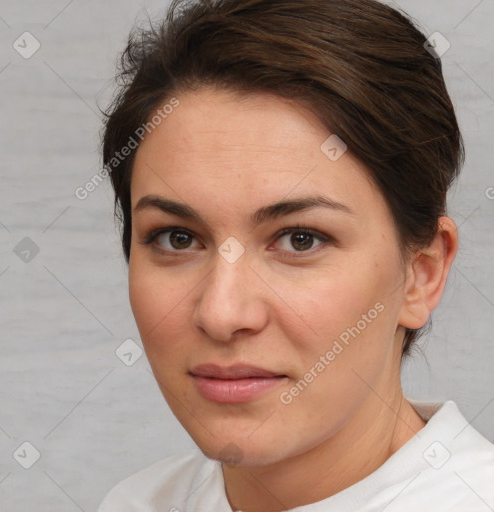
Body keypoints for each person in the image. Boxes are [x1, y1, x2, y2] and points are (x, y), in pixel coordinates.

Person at [98, 0, 494, 510]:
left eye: (299, 239)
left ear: (421, 274)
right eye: (178, 238)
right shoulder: (138, 502)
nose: (221, 314)